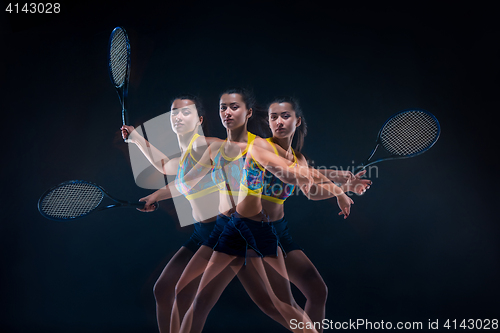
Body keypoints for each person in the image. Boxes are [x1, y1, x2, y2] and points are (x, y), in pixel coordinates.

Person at [171, 89, 353, 333]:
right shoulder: (217, 148)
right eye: (222, 108)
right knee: (202, 298)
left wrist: (339, 185)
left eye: (234, 107)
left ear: (248, 113)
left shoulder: (258, 146)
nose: (226, 112)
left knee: (280, 303)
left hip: (256, 228)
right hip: (233, 226)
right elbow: (183, 181)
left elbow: (298, 177)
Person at [120, 95, 221, 333]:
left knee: (185, 295)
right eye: (174, 111)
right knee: (163, 290)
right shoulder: (186, 155)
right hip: (201, 233)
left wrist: (156, 194)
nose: (178, 116)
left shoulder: (210, 146)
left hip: (223, 233)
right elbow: (166, 166)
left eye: (186, 112)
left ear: (200, 120)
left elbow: (185, 181)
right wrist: (135, 138)